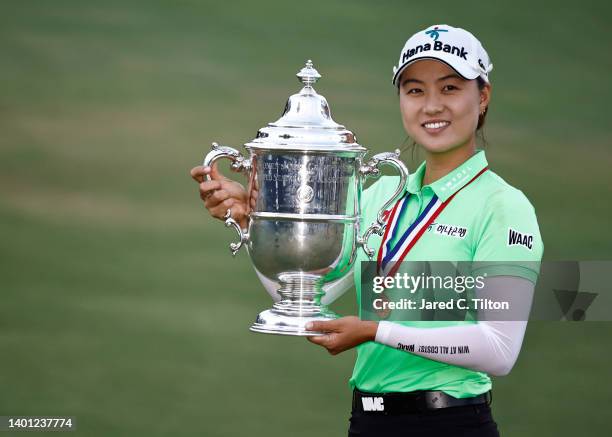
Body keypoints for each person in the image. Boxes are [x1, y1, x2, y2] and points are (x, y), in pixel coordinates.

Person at [191, 24, 543, 437]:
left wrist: (377, 331)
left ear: (482, 97)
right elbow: (301, 295)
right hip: (368, 422)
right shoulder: (379, 197)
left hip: (451, 423)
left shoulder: (503, 207)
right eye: (415, 90)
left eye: (449, 89)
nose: (431, 106)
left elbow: (500, 349)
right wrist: (264, 224)